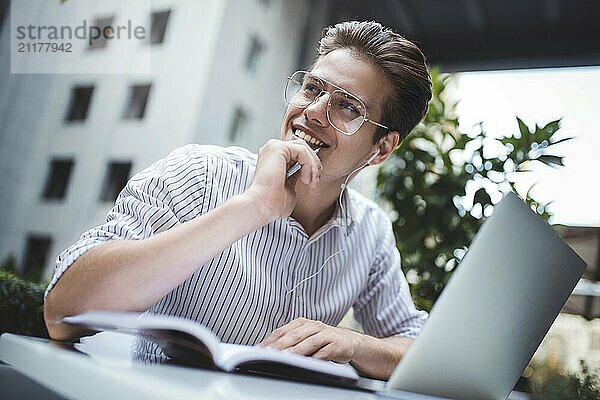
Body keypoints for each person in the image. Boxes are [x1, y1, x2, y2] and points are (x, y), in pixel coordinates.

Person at [44, 20, 432, 380]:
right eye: (313, 88)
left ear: (381, 149)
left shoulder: (370, 230)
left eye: (347, 106)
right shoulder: (199, 172)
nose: (311, 111)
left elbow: (417, 347)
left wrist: (355, 343)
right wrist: (255, 206)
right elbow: (63, 310)